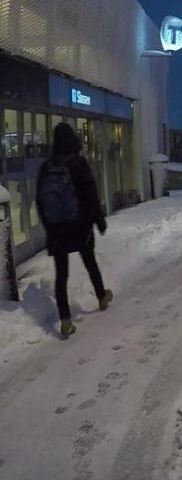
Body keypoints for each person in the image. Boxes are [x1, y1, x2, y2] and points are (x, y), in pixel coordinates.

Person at [35, 123, 112, 338]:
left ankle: (66, 320)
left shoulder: (46, 167)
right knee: (90, 262)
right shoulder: (78, 163)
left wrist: (50, 225)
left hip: (57, 230)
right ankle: (101, 296)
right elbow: (90, 195)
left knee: (62, 275)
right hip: (80, 225)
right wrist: (98, 220)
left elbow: (40, 200)